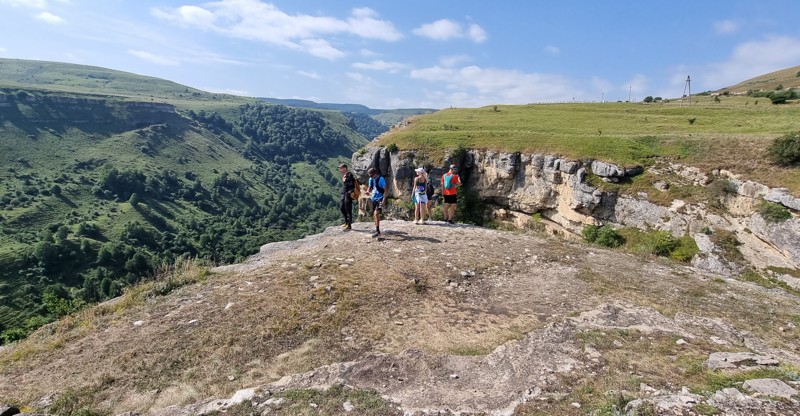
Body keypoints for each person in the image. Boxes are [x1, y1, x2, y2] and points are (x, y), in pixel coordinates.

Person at [367, 167, 387, 238]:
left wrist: (384, 199)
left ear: (375, 173)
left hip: (380, 198)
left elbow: (385, 189)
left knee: (376, 213)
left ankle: (378, 231)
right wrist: (367, 191)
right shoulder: (371, 179)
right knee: (374, 214)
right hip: (373, 198)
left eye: (371, 175)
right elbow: (370, 187)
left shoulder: (381, 179)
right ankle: (377, 230)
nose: (370, 177)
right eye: (369, 175)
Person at [338, 163, 355, 230]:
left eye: (341, 168)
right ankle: (346, 222)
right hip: (344, 193)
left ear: (345, 168)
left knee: (348, 209)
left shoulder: (349, 175)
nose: (340, 170)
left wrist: (345, 180)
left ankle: (349, 225)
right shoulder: (345, 175)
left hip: (348, 194)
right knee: (342, 208)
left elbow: (352, 185)